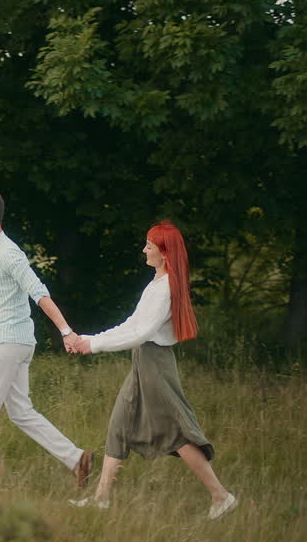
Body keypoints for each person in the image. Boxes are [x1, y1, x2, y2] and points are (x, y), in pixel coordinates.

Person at [65, 220, 237, 519]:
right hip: (142, 361)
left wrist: (93, 347)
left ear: (164, 251)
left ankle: (221, 497)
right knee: (119, 424)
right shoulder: (155, 284)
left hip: (155, 363)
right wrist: (89, 340)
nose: (144, 248)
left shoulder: (166, 287)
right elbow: (131, 325)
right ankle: (102, 498)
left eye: (149, 244)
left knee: (175, 433)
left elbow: (141, 334)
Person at [0, 189, 92, 487]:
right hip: (10, 342)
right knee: (21, 412)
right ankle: (77, 459)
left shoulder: (9, 253)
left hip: (10, 341)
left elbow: (39, 292)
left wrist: (65, 330)